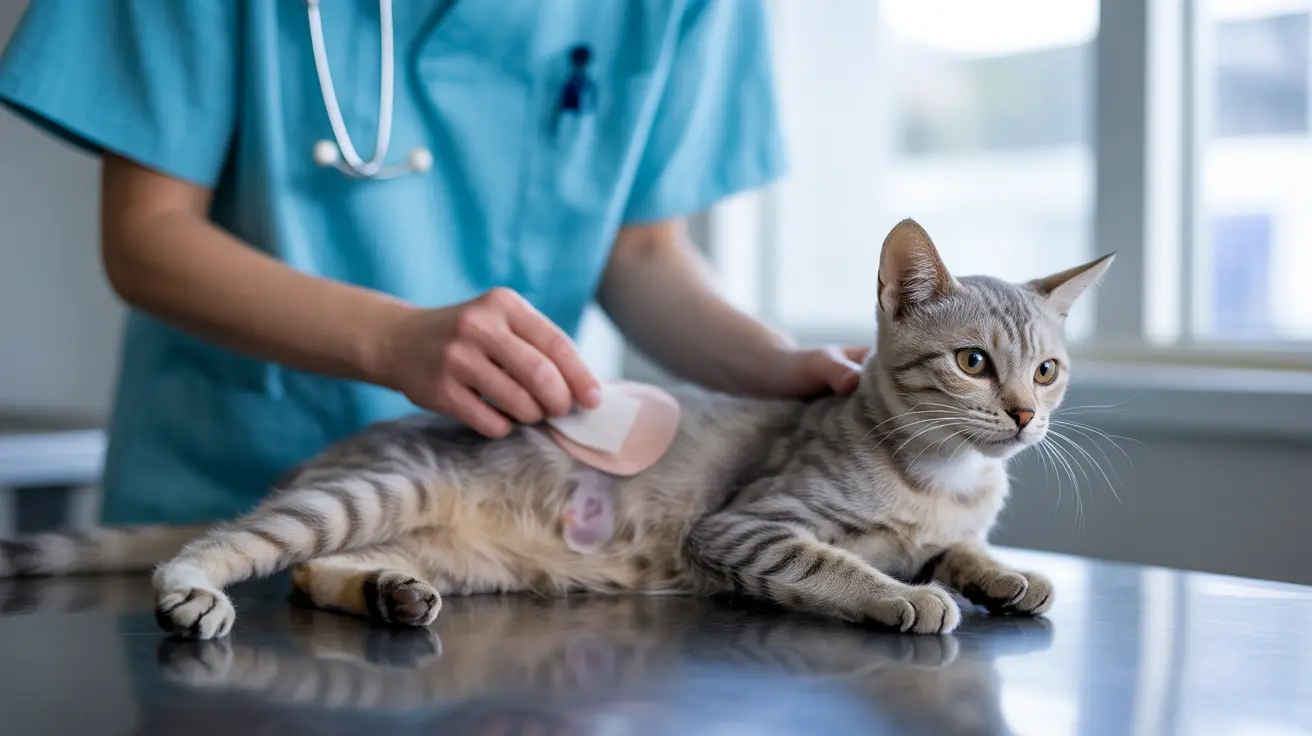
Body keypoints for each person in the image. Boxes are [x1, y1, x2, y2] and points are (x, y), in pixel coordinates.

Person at [0, 0, 867, 526]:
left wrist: (777, 366)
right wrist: (393, 339)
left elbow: (640, 251)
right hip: (233, 488)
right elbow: (147, 236)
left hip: (506, 512)